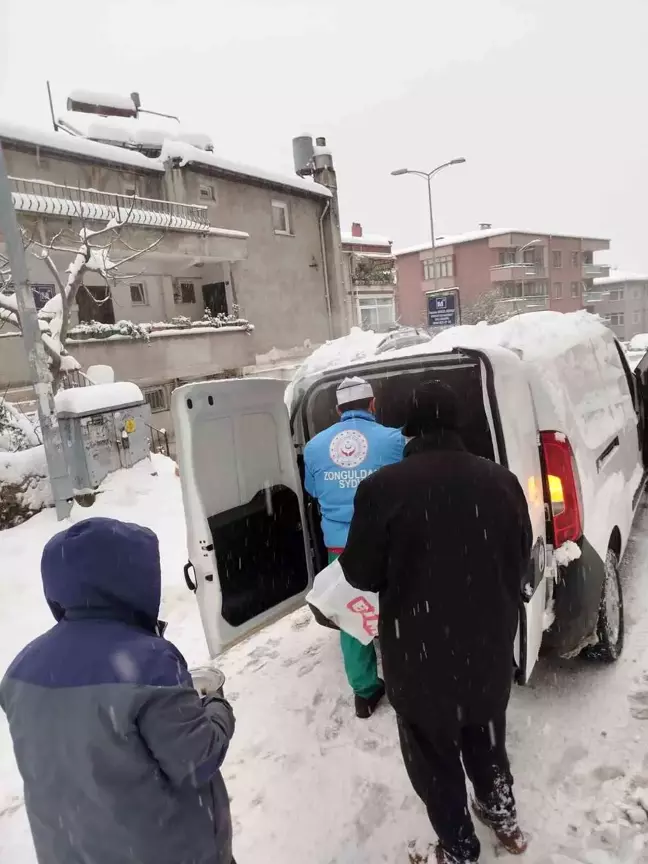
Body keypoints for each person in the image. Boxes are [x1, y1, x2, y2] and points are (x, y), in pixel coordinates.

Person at [340, 381, 532, 864]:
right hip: (487, 646)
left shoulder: (382, 489)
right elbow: (521, 558)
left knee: (434, 759)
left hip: (419, 652)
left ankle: (459, 846)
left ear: (410, 427)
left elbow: (359, 572)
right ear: (459, 422)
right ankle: (502, 816)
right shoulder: (501, 481)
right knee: (485, 735)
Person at [0, 517, 236, 864]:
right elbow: (196, 761)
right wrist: (217, 706)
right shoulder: (149, 663)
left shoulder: (20, 669)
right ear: (135, 581)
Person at [304, 375, 405, 718]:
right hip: (387, 543)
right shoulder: (394, 440)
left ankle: (364, 691)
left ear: (337, 409)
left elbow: (314, 490)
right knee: (397, 612)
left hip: (340, 549)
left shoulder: (315, 446)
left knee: (352, 614)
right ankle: (406, 679)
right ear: (373, 404)